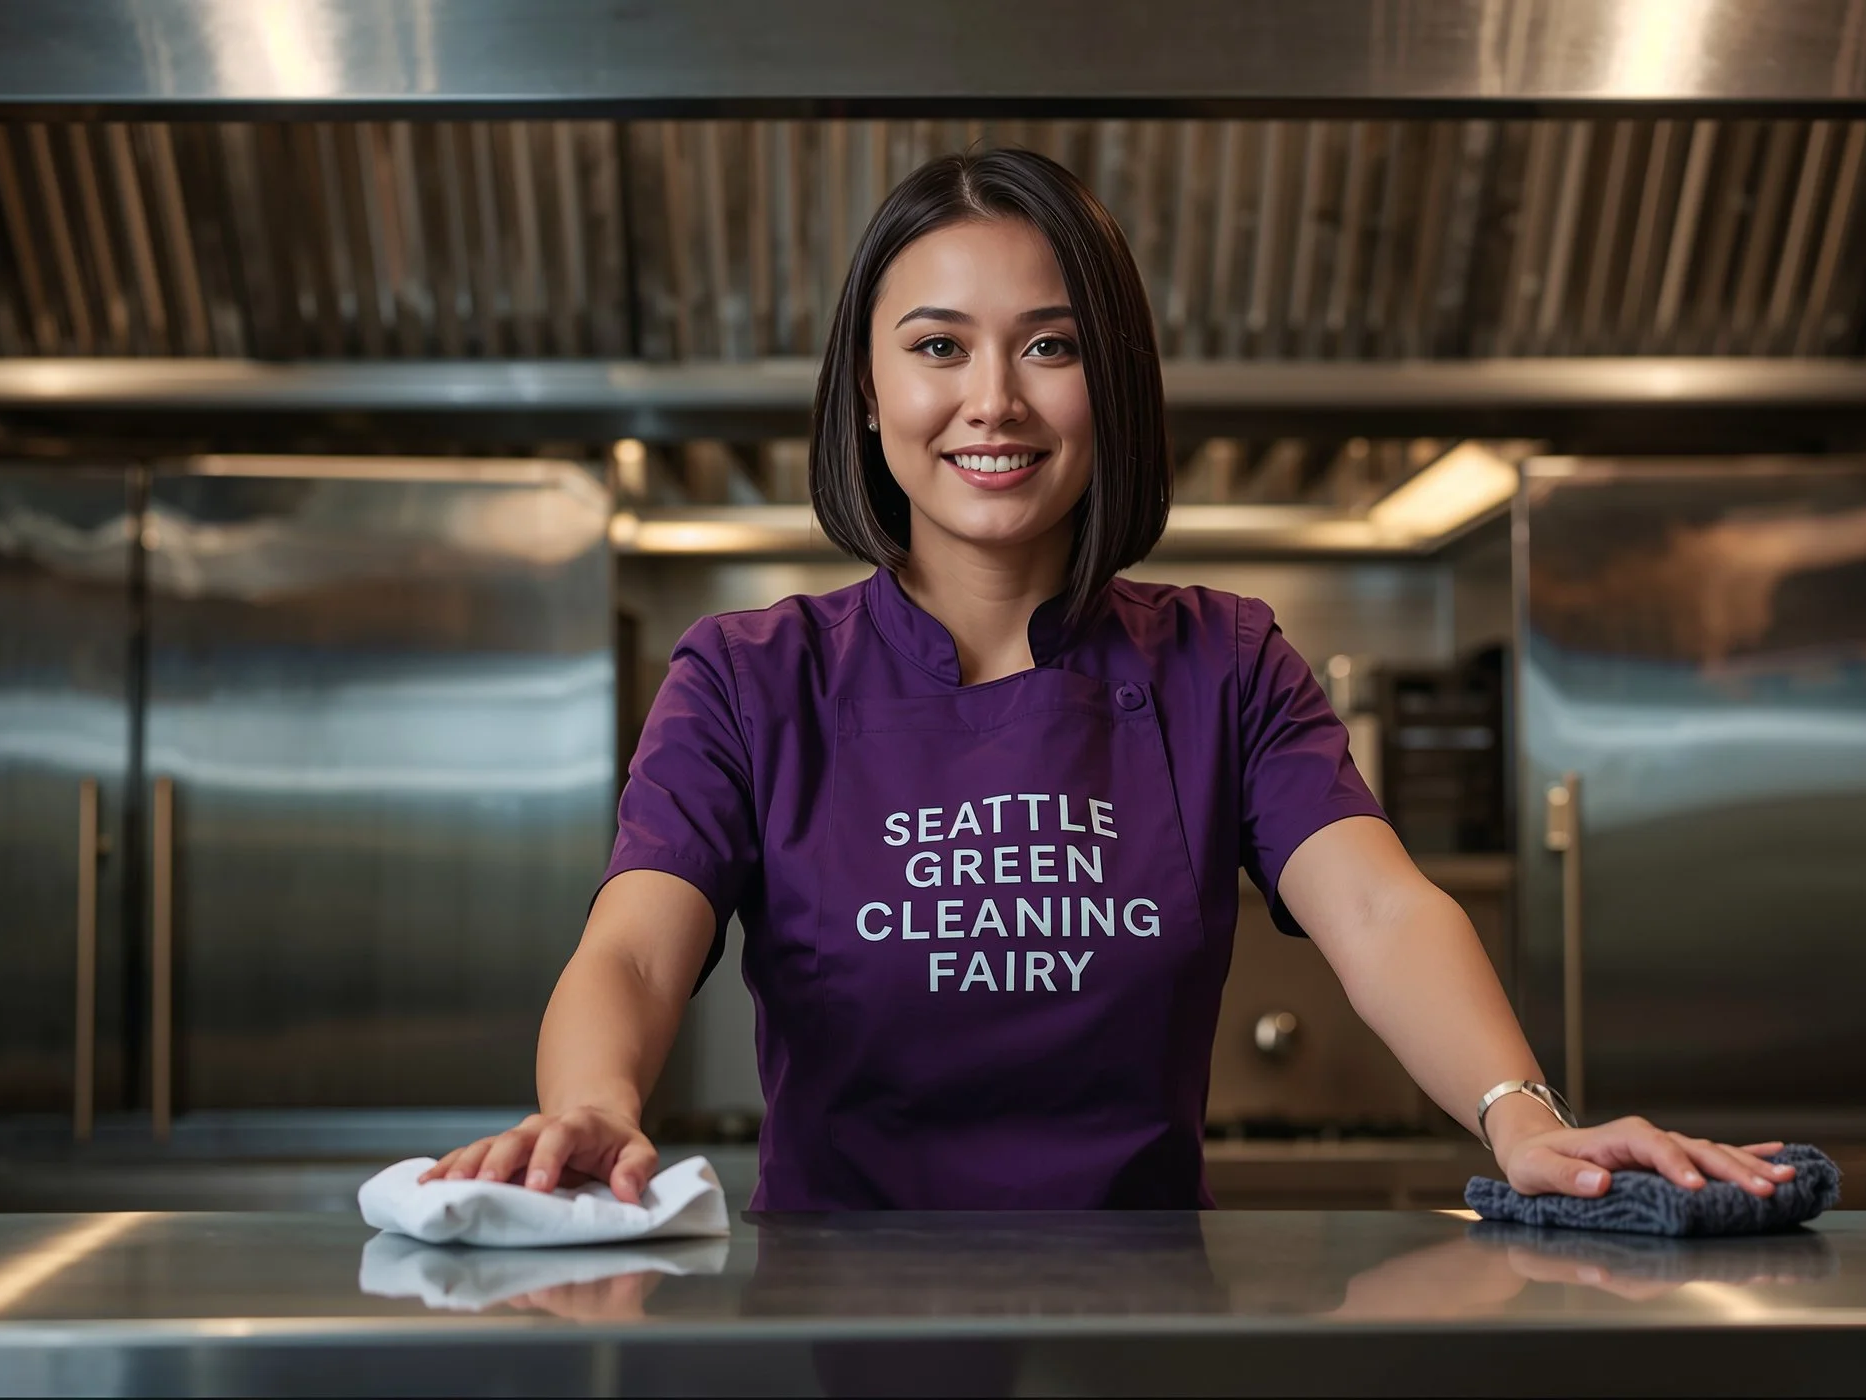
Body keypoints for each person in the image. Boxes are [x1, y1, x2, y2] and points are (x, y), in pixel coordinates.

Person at [424, 149, 1791, 1210]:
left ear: (1110, 383)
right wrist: (593, 1104)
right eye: (938, 345)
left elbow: (1377, 907)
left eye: (1051, 345)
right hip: (837, 1317)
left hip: (1147, 1317)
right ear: (864, 389)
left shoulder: (1226, 659)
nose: (994, 402)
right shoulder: (746, 677)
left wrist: (1522, 1112)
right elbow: (634, 945)